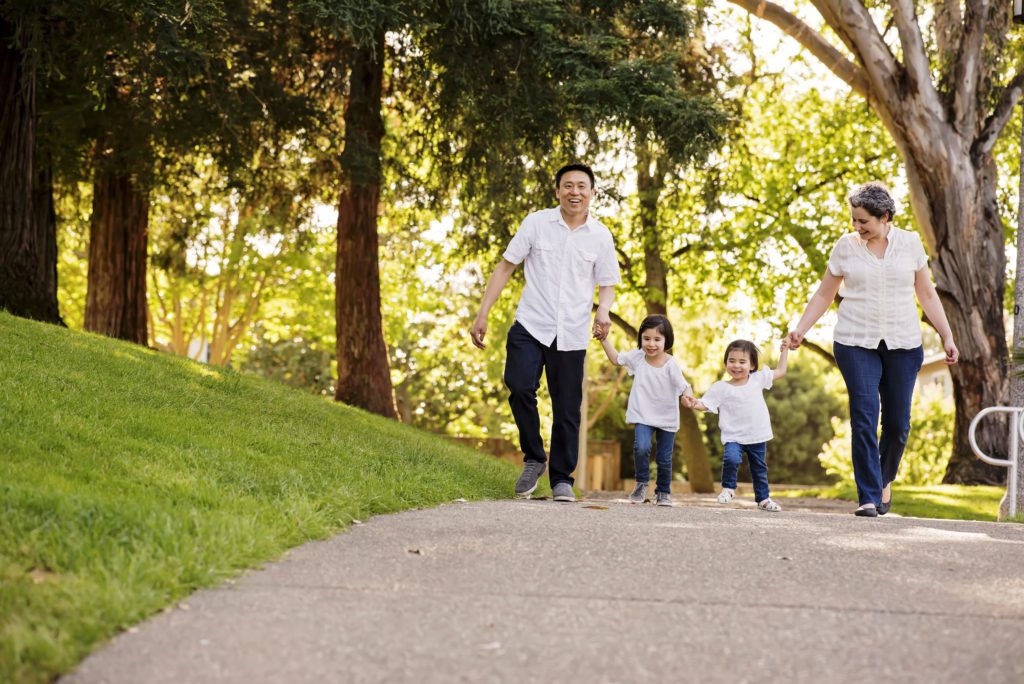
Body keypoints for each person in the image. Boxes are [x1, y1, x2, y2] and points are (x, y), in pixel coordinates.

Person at [786, 182, 959, 517]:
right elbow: (825, 294)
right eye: (853, 220)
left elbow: (926, 293)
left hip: (904, 344)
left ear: (885, 217)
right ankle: (868, 496)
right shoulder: (845, 247)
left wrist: (947, 336)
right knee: (864, 416)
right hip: (855, 342)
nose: (856, 227)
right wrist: (800, 330)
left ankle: (882, 480)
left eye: (863, 221)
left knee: (897, 426)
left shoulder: (909, 244)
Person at [471, 163, 620, 503]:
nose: (575, 192)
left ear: (593, 193)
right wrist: (483, 313)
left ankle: (562, 479)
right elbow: (507, 265)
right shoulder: (536, 223)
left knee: (568, 407)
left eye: (582, 186)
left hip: (571, 332)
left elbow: (607, 283)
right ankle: (535, 456)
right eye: (568, 185)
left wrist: (603, 310)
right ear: (557, 191)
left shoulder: (600, 236)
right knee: (519, 385)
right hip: (530, 324)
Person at [599, 314, 694, 507]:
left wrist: (687, 397)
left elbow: (684, 386)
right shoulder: (637, 357)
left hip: (666, 417)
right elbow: (617, 359)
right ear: (641, 338)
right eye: (647, 338)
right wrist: (604, 339)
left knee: (664, 458)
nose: (651, 344)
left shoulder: (670, 364)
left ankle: (663, 492)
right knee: (641, 448)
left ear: (667, 340)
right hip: (643, 414)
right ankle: (642, 483)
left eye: (657, 339)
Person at [690, 339, 789, 513]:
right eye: (732, 361)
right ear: (725, 363)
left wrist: (784, 350)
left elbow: (781, 371)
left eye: (742, 362)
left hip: (757, 434)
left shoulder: (757, 379)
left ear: (752, 365)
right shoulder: (721, 388)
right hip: (733, 435)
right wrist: (692, 403)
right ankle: (728, 489)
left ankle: (763, 499)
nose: (736, 365)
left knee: (759, 468)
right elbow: (705, 404)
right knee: (731, 459)